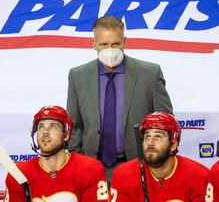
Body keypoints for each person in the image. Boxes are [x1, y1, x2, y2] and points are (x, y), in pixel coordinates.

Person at [66, 15, 173, 184]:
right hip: (92, 167)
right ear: (93, 44)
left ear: (125, 42)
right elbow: (74, 126)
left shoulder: (149, 73)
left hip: (138, 166)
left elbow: (166, 123)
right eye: (104, 44)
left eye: (115, 44)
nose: (110, 50)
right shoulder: (78, 76)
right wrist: (78, 162)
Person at [4, 105, 109, 202]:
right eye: (41, 127)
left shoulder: (90, 169)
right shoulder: (18, 174)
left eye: (53, 127)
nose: (45, 132)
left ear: (66, 135)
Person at [109, 112, 210, 202]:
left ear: (173, 145)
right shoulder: (123, 175)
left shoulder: (199, 176)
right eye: (147, 136)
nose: (150, 143)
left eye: (158, 137)